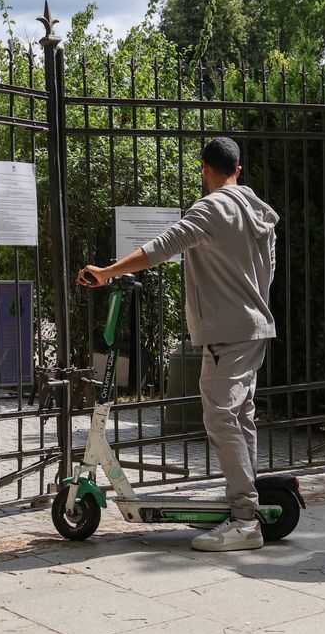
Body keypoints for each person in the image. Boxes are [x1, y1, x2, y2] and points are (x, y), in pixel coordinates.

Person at [77, 137, 278, 553]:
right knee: (240, 418)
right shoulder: (261, 213)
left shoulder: (211, 208)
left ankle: (244, 520)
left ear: (205, 168)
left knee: (222, 416)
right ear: (237, 170)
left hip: (227, 331)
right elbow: (268, 272)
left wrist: (108, 272)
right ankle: (245, 504)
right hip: (252, 328)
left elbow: (161, 248)